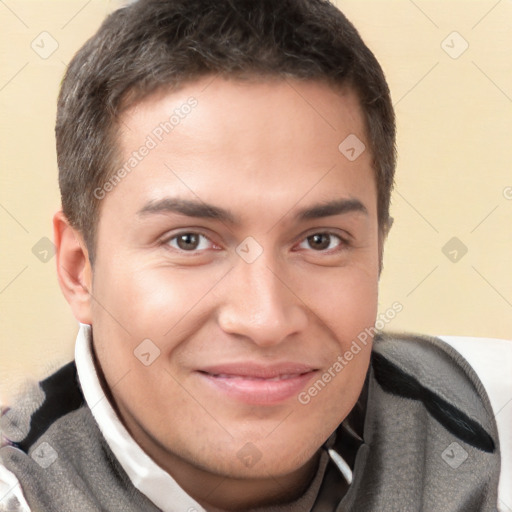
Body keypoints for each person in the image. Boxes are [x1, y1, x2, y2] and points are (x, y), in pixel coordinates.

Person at [0, 0, 506, 510]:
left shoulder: (491, 418)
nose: (265, 320)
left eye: (319, 241)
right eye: (189, 241)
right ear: (79, 270)